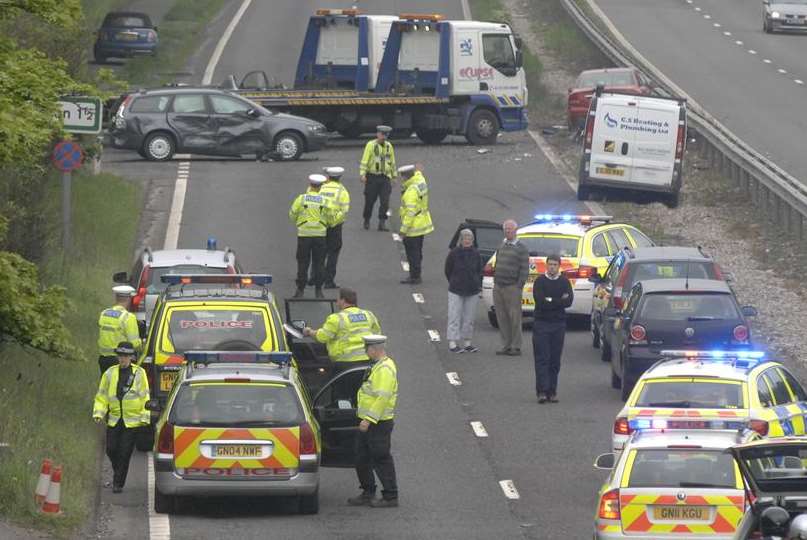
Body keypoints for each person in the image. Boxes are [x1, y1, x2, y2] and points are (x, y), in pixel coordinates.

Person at [347, 334, 399, 508]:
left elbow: (382, 398)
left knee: (381, 458)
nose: (365, 351)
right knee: (361, 457)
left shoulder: (384, 369)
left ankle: (391, 496)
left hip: (378, 422)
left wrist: (368, 419)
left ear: (375, 349)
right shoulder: (376, 365)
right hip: (368, 420)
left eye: (367, 349)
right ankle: (368, 492)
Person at [92, 342, 150, 493]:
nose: (122, 359)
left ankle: (118, 483)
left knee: (124, 452)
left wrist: (145, 416)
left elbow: (145, 397)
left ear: (131, 357)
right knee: (111, 450)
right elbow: (102, 396)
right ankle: (118, 471)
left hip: (132, 422)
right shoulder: (110, 373)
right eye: (120, 356)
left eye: (125, 356)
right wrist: (99, 413)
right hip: (114, 419)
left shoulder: (139, 373)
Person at [303, 287, 381, 372]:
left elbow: (322, 337)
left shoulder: (336, 318)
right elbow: (377, 335)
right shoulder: (369, 315)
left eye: (338, 299)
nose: (337, 302)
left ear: (343, 300)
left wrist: (309, 332)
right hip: (368, 360)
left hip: (345, 363)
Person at [532, 254, 573, 403]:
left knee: (555, 360)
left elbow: (568, 301)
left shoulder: (564, 282)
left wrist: (550, 300)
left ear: (559, 266)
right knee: (542, 358)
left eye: (555, 265)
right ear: (546, 265)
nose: (552, 267)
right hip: (541, 323)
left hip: (558, 324)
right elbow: (540, 301)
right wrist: (558, 301)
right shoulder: (540, 282)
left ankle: (552, 391)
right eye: (550, 264)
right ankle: (542, 391)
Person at [289, 174, 337, 298]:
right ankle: (318, 291)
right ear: (321, 187)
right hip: (320, 236)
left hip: (304, 235)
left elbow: (292, 214)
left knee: (302, 263)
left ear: (310, 185)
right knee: (319, 263)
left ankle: (300, 290)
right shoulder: (325, 201)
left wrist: (300, 223)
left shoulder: (301, 199)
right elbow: (331, 217)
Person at [492, 220, 530, 356]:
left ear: (516, 230)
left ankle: (516, 346)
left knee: (514, 318)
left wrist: (519, 286)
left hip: (512, 287)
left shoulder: (521, 248)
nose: (507, 231)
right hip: (498, 286)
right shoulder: (502, 245)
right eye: (506, 229)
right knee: (501, 317)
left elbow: (525, 269)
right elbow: (496, 263)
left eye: (510, 229)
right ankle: (505, 345)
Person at [444, 228, 483, 353]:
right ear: (461, 240)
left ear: (473, 240)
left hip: (472, 290)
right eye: (465, 238)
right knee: (454, 316)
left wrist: (477, 283)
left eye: (470, 238)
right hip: (456, 289)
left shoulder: (476, 254)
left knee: (469, 317)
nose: (467, 240)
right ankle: (452, 342)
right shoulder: (454, 253)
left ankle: (467, 342)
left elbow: (479, 270)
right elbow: (448, 270)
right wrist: (454, 281)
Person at [398, 164, 433, 285]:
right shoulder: (420, 181)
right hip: (422, 223)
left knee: (412, 253)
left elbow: (410, 213)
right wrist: (418, 170)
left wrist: (403, 230)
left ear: (404, 177)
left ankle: (415, 276)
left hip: (413, 228)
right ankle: (416, 274)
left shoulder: (411, 192)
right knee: (418, 251)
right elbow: (419, 174)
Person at [97, 285, 142, 375]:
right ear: (129, 299)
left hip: (103, 360)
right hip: (121, 359)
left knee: (106, 386)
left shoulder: (104, 313)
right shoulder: (128, 317)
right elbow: (134, 344)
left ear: (116, 297)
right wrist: (142, 343)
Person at [359, 125, 397, 231]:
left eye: (386, 135)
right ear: (378, 134)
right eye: (382, 134)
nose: (384, 137)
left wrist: (394, 176)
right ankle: (367, 219)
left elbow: (392, 162)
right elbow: (364, 160)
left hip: (385, 177)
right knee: (370, 201)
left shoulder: (389, 146)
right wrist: (362, 174)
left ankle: (382, 222)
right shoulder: (370, 145)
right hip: (372, 177)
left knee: (385, 202)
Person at [319, 166, 350, 288]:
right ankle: (329, 281)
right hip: (335, 226)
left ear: (329, 176)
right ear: (340, 177)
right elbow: (344, 210)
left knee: (320, 252)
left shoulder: (321, 188)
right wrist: (333, 222)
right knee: (333, 253)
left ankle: (316, 278)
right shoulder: (342, 191)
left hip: (320, 224)